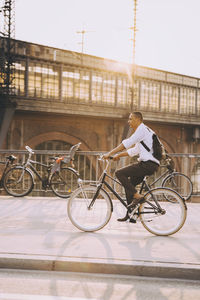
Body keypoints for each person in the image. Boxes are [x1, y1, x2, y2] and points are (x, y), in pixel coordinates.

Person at [103, 111, 160, 222]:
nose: (128, 121)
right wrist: (118, 155)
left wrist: (110, 153)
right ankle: (131, 215)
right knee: (130, 185)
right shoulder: (144, 131)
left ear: (137, 119)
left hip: (147, 164)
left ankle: (137, 196)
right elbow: (134, 150)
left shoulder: (141, 130)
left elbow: (127, 143)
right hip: (150, 164)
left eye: (130, 119)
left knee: (119, 173)